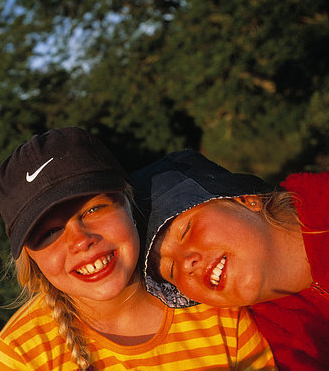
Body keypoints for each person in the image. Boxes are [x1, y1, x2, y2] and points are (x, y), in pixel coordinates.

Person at [0, 128, 275, 370]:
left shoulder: (217, 303)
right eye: (50, 232)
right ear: (30, 256)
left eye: (93, 209)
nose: (80, 240)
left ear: (130, 203)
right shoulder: (22, 352)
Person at [129, 149, 329, 370]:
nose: (187, 263)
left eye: (186, 230)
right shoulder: (265, 347)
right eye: (171, 270)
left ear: (246, 199)